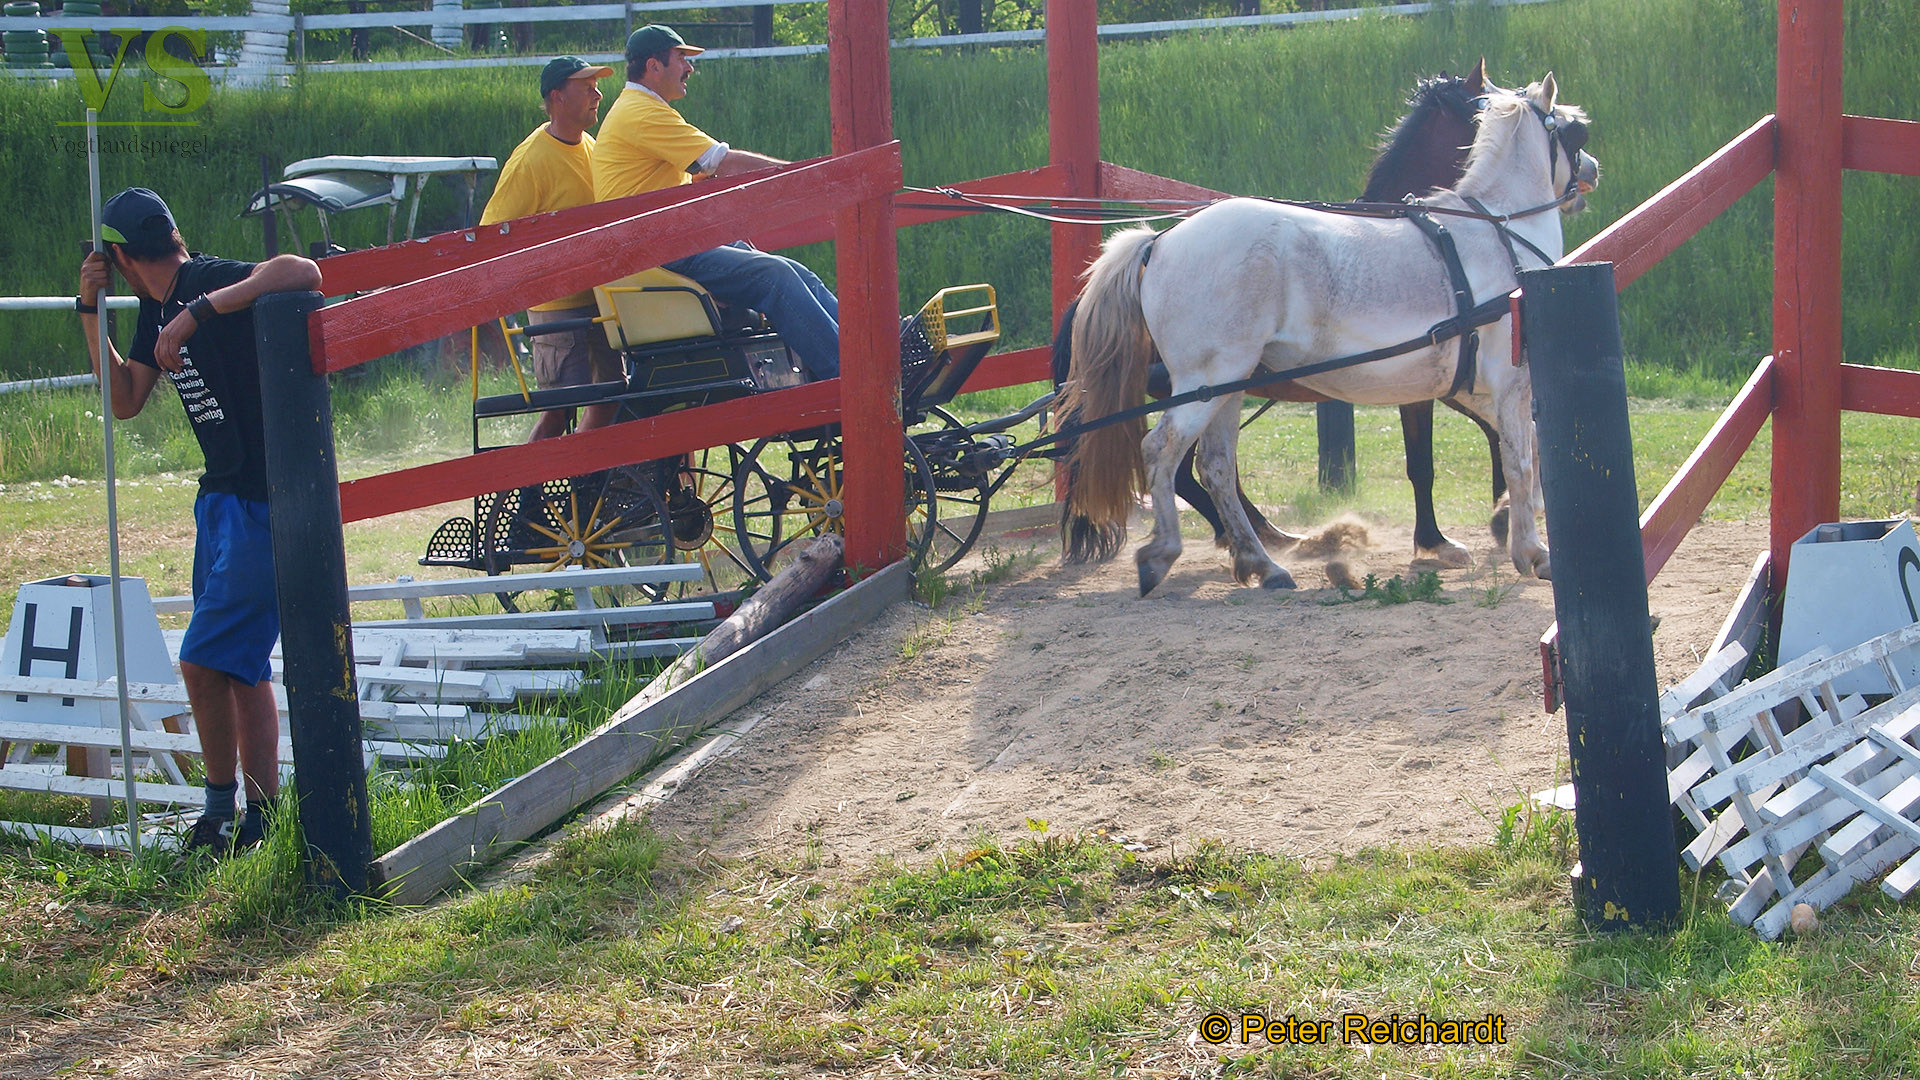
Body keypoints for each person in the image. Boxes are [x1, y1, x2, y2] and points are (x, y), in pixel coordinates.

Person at [77, 188, 322, 856]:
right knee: (239, 667)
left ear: (122, 255)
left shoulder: (204, 282)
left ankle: (218, 814)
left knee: (201, 663)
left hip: (263, 495)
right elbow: (124, 399)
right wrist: (87, 309)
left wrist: (196, 314)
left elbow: (301, 272)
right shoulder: (147, 304)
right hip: (219, 497)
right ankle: (262, 817)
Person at [592, 23, 841, 380]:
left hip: (665, 242)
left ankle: (872, 347)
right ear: (654, 66)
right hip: (654, 251)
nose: (690, 68)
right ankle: (850, 372)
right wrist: (803, 176)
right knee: (776, 277)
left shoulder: (640, 109)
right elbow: (720, 162)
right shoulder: (640, 112)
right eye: (682, 59)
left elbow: (703, 175)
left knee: (795, 272)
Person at [481, 55, 622, 440]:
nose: (598, 93)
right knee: (559, 412)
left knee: (610, 397)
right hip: (555, 308)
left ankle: (584, 483)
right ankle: (531, 495)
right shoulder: (530, 160)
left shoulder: (593, 148)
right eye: (586, 86)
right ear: (557, 97)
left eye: (597, 85)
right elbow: (492, 234)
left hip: (601, 299)